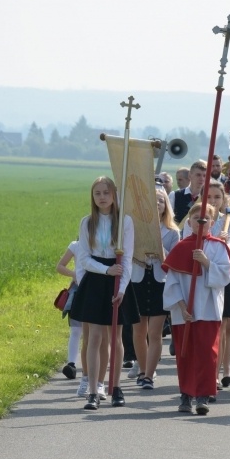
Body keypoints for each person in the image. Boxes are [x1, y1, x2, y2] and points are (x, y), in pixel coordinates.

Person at [69, 176, 138, 411]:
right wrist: (106, 270)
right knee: (94, 337)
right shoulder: (87, 222)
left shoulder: (124, 222)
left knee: (115, 338)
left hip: (118, 280)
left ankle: (115, 387)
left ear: (114, 195)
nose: (102, 197)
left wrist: (121, 288)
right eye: (97, 193)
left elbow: (127, 259)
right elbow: (84, 258)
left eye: (106, 192)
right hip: (97, 280)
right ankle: (93, 391)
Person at [163, 203, 230, 415]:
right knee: (185, 353)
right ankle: (185, 395)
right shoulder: (181, 248)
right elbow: (172, 283)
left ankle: (203, 396)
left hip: (208, 309)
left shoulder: (218, 247)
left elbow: (225, 277)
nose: (201, 223)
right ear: (190, 222)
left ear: (213, 223)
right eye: (197, 219)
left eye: (206, 220)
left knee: (206, 353)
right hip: (184, 311)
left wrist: (206, 263)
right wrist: (182, 307)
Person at [182, 180, 230, 390]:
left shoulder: (229, 221)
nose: (213, 201)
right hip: (200, 280)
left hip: (224, 277)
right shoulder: (195, 218)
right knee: (208, 327)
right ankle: (210, 373)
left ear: (224, 198)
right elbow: (186, 243)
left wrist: (225, 241)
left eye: (218, 197)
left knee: (226, 325)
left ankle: (224, 369)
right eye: (209, 197)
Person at [129, 188, 180, 390]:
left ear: (165, 205)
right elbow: (127, 253)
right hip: (139, 279)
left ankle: (149, 375)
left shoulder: (173, 232)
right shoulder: (134, 228)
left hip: (160, 281)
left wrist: (158, 246)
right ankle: (142, 369)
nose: (156, 204)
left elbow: (173, 261)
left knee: (155, 331)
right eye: (152, 200)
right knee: (139, 330)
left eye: (160, 200)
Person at [55, 240, 82, 380]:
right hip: (77, 291)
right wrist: (74, 274)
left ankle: (100, 362)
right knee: (76, 329)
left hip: (97, 290)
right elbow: (59, 266)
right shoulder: (75, 245)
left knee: (98, 331)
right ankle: (71, 364)